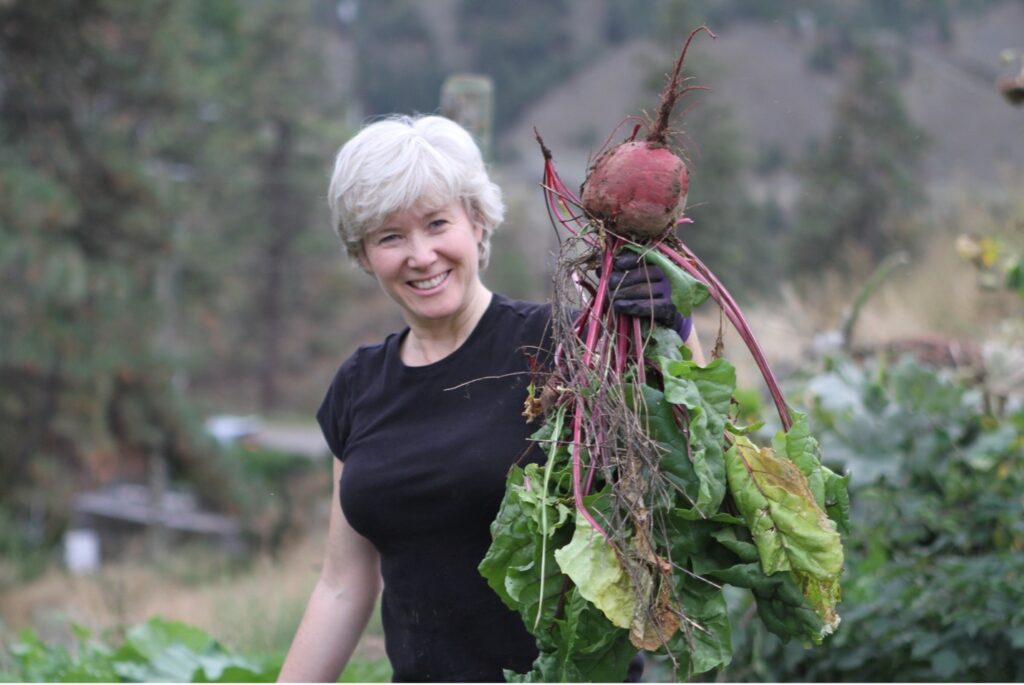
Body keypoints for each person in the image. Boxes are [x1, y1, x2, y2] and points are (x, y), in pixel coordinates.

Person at [277, 115, 704, 683]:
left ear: (478, 221)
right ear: (362, 255)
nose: (421, 255)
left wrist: (673, 326)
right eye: (389, 237)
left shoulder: (569, 343)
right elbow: (342, 585)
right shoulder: (359, 385)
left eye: (437, 223)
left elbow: (691, 448)